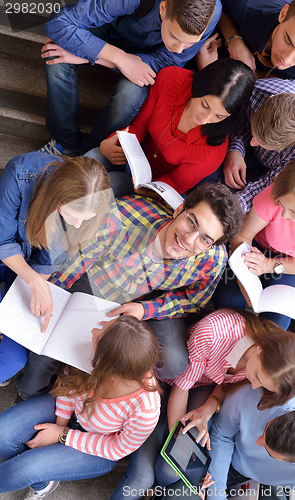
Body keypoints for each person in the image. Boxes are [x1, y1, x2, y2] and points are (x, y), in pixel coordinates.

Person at [15, 182, 244, 401]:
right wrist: (53, 296)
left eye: (204, 239)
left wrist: (147, 309)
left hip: (152, 300)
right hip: (104, 281)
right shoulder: (123, 216)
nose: (189, 239)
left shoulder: (213, 259)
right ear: (180, 210)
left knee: (173, 362)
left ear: (212, 245)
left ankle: (98, 376)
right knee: (56, 336)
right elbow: (80, 258)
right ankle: (30, 395)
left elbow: (193, 300)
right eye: (191, 222)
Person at [121, 308, 295, 495]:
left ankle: (156, 491)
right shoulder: (214, 332)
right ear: (260, 350)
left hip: (196, 387)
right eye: (256, 378)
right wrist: (179, 441)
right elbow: (182, 387)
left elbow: (224, 385)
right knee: (141, 479)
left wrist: (208, 408)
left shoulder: (262, 365)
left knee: (173, 471)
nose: (254, 387)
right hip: (162, 383)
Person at [0, 316, 161, 500]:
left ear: (109, 366)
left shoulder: (146, 409)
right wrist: (60, 426)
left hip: (100, 448)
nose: (93, 333)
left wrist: (64, 435)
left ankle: (37, 474)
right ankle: (42, 482)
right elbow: (69, 387)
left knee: (26, 468)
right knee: (2, 434)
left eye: (98, 337)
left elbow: (116, 449)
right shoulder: (95, 354)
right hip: (72, 410)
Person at [39, 0, 222, 155]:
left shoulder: (212, 11)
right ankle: (66, 145)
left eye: (191, 43)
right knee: (55, 55)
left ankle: (89, 155)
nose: (181, 48)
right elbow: (59, 22)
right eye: (174, 36)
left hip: (150, 60)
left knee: (129, 97)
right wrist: (115, 57)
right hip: (111, 29)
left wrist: (95, 57)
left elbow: (168, 62)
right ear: (163, 7)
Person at [0, 152, 110, 386]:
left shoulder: (84, 214)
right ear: (56, 198)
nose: (77, 224)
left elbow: (47, 261)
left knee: (14, 361)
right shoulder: (20, 174)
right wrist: (34, 281)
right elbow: (2, 241)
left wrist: (35, 289)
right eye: (71, 215)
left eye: (85, 219)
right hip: (9, 258)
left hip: (23, 270)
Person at [87, 59, 255, 197]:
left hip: (156, 187)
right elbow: (138, 128)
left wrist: (145, 190)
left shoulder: (213, 151)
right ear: (199, 86)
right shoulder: (172, 79)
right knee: (92, 158)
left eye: (219, 116)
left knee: (109, 186)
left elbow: (175, 185)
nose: (205, 119)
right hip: (133, 157)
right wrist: (109, 143)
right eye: (205, 105)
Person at [214, 156, 295, 330]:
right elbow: (243, 236)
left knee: (277, 324)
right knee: (228, 302)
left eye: (294, 212)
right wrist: (245, 284)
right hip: (256, 248)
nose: (284, 216)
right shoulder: (279, 192)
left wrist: (272, 265)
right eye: (281, 205)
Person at [163, 384, 295, 500]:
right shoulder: (260, 394)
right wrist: (217, 495)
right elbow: (222, 435)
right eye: (265, 430)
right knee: (179, 495)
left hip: (258, 481)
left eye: (267, 449)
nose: (258, 442)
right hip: (219, 453)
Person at [221, 77, 295, 212]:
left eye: (262, 142)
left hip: (280, 172)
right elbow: (239, 123)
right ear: (270, 99)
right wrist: (235, 149)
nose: (253, 142)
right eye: (255, 135)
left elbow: (275, 184)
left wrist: (228, 211)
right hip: (242, 146)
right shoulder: (258, 91)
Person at [217, 0, 295, 101]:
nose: (286, 58)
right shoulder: (245, 5)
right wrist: (233, 39)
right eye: (288, 40)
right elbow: (217, 5)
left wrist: (253, 75)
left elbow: (290, 84)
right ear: (283, 14)